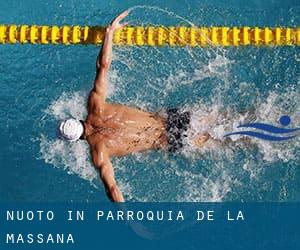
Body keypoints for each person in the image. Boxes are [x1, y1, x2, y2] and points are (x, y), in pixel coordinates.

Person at [58, 11, 210, 202]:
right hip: (172, 118)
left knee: (227, 141)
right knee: (226, 118)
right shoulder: (95, 105)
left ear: (76, 140)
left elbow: (112, 189)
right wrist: (109, 33)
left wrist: (130, 222)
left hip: (171, 140)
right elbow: (103, 66)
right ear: (76, 119)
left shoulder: (99, 152)